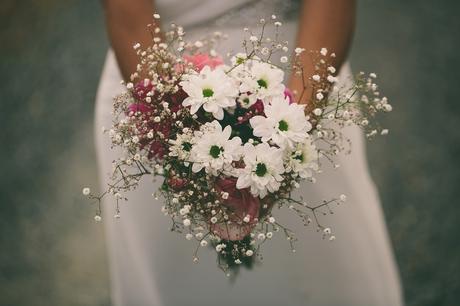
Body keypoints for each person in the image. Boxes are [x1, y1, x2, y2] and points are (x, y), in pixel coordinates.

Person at [95, 0, 404, 305]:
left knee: (330, 271)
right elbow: (126, 11)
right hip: (153, 76)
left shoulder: (298, 105)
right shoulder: (165, 113)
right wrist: (176, 134)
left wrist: (289, 136)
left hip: (297, 73)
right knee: (179, 281)